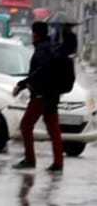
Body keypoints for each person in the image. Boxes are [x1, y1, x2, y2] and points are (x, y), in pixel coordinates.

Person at [12, 21, 64, 172]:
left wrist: (22, 84)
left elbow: (40, 71)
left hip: (41, 95)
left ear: (35, 33)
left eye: (32, 32)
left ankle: (30, 159)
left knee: (26, 125)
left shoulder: (42, 50)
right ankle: (58, 162)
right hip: (52, 94)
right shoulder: (51, 47)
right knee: (53, 127)